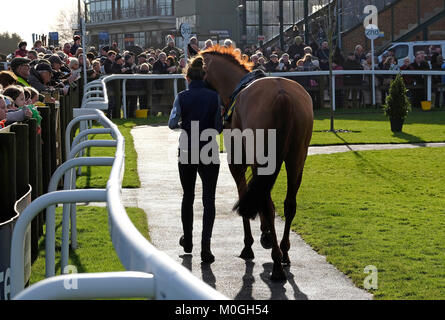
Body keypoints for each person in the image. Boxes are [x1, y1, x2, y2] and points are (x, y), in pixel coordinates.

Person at [168, 56, 222, 264]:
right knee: (209, 199)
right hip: (208, 146)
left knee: (188, 195)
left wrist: (185, 123)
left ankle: (188, 240)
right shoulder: (214, 97)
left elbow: (172, 123)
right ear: (204, 76)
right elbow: (218, 127)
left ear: (188, 77)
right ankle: (205, 247)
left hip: (187, 146)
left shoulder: (181, 96)